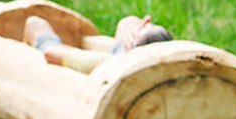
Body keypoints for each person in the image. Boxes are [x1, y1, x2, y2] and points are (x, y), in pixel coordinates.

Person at [23, 14, 173, 74]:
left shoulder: (108, 64)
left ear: (130, 47)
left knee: (35, 23)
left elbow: (50, 53)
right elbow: (126, 22)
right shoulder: (172, 67)